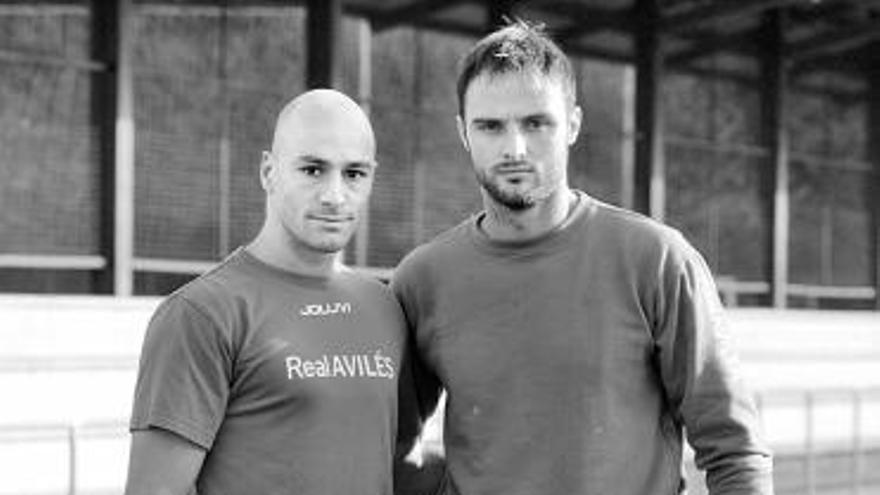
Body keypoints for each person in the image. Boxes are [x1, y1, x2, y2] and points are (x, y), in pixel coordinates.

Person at [392, 21, 774, 495]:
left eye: (536, 123)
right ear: (463, 133)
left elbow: (734, 449)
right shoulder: (422, 279)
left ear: (572, 124)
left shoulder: (656, 260)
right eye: (490, 126)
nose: (514, 147)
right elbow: (394, 448)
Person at [124, 89, 406, 495]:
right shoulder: (201, 314)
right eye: (312, 170)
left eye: (354, 174)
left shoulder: (384, 307)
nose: (334, 195)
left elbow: (394, 460)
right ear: (268, 172)